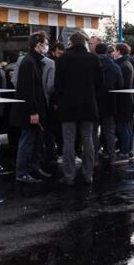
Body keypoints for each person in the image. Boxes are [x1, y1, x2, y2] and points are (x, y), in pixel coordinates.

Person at [53, 32, 105, 185]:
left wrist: (59, 100)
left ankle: (69, 175)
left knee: (68, 141)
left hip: (68, 105)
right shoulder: (93, 59)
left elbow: (58, 84)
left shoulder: (63, 59)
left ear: (71, 43)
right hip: (88, 104)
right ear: (84, 43)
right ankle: (88, 173)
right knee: (88, 139)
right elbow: (100, 84)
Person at [11, 32, 50, 183]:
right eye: (45, 44)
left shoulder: (33, 61)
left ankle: (33, 167)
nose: (47, 47)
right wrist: (33, 112)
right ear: (38, 44)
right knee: (27, 140)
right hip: (30, 110)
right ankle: (22, 172)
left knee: (34, 140)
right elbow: (28, 90)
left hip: (34, 109)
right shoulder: (29, 62)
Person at [95, 43, 123, 162]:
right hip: (110, 101)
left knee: (92, 131)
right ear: (107, 51)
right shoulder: (114, 66)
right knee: (109, 131)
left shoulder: (93, 64)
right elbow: (120, 83)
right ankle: (111, 156)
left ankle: (94, 154)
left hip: (94, 102)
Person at [113, 43, 134, 159]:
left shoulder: (122, 65)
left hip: (122, 99)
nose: (113, 53)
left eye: (115, 51)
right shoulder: (128, 63)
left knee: (123, 126)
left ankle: (125, 150)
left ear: (119, 51)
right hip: (127, 99)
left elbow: (121, 84)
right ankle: (128, 149)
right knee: (126, 126)